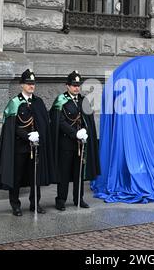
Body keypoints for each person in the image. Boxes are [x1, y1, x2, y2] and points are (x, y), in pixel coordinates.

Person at [0, 69, 57, 216]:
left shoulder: (38, 102)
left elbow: (44, 124)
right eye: (28, 83)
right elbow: (12, 127)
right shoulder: (15, 103)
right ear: (21, 85)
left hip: (36, 148)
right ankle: (15, 204)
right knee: (16, 177)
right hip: (20, 147)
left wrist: (39, 136)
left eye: (33, 83)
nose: (31, 86)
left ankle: (35, 203)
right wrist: (27, 135)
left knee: (35, 176)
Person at [50, 71, 100, 211]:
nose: (76, 88)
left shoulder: (84, 101)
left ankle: (79, 198)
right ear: (67, 86)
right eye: (73, 85)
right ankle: (61, 200)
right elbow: (59, 121)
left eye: (78, 85)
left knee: (79, 173)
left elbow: (88, 121)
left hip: (80, 145)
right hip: (66, 143)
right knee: (64, 173)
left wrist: (85, 132)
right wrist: (75, 133)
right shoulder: (61, 100)